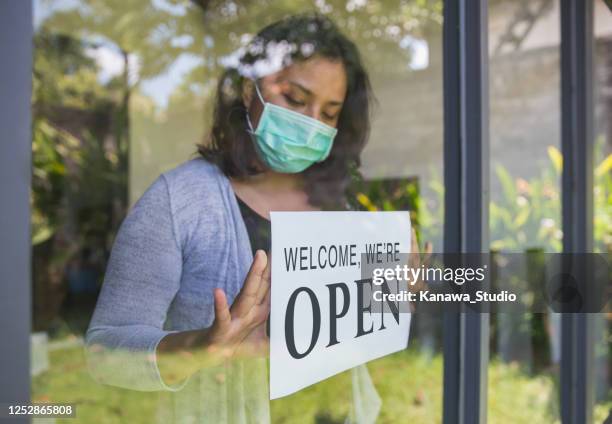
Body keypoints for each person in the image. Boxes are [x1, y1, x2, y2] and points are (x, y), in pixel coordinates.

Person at [85, 12, 425, 423]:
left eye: (329, 113)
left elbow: (343, 326)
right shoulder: (181, 201)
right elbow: (104, 354)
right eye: (296, 100)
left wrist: (395, 290)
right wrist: (201, 347)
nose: (310, 124)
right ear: (249, 90)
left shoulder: (337, 205)